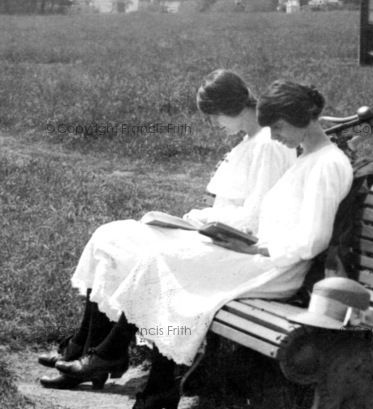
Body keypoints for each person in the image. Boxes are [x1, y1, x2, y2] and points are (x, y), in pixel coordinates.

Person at [104, 79, 354, 409]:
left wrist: (255, 248)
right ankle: (158, 382)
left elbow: (313, 241)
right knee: (165, 259)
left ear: (302, 119)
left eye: (278, 127)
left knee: (170, 265)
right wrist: (242, 240)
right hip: (261, 254)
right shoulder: (308, 157)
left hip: (277, 268)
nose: (275, 136)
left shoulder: (327, 164)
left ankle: (150, 380)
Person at [39, 69, 295, 390]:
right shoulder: (249, 141)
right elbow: (232, 206)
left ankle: (101, 356)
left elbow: (256, 218)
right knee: (112, 236)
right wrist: (196, 217)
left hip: (236, 244)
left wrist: (201, 221)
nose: (215, 124)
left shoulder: (269, 145)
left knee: (149, 253)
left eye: (215, 116)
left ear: (230, 107)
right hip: (213, 231)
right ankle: (85, 346)